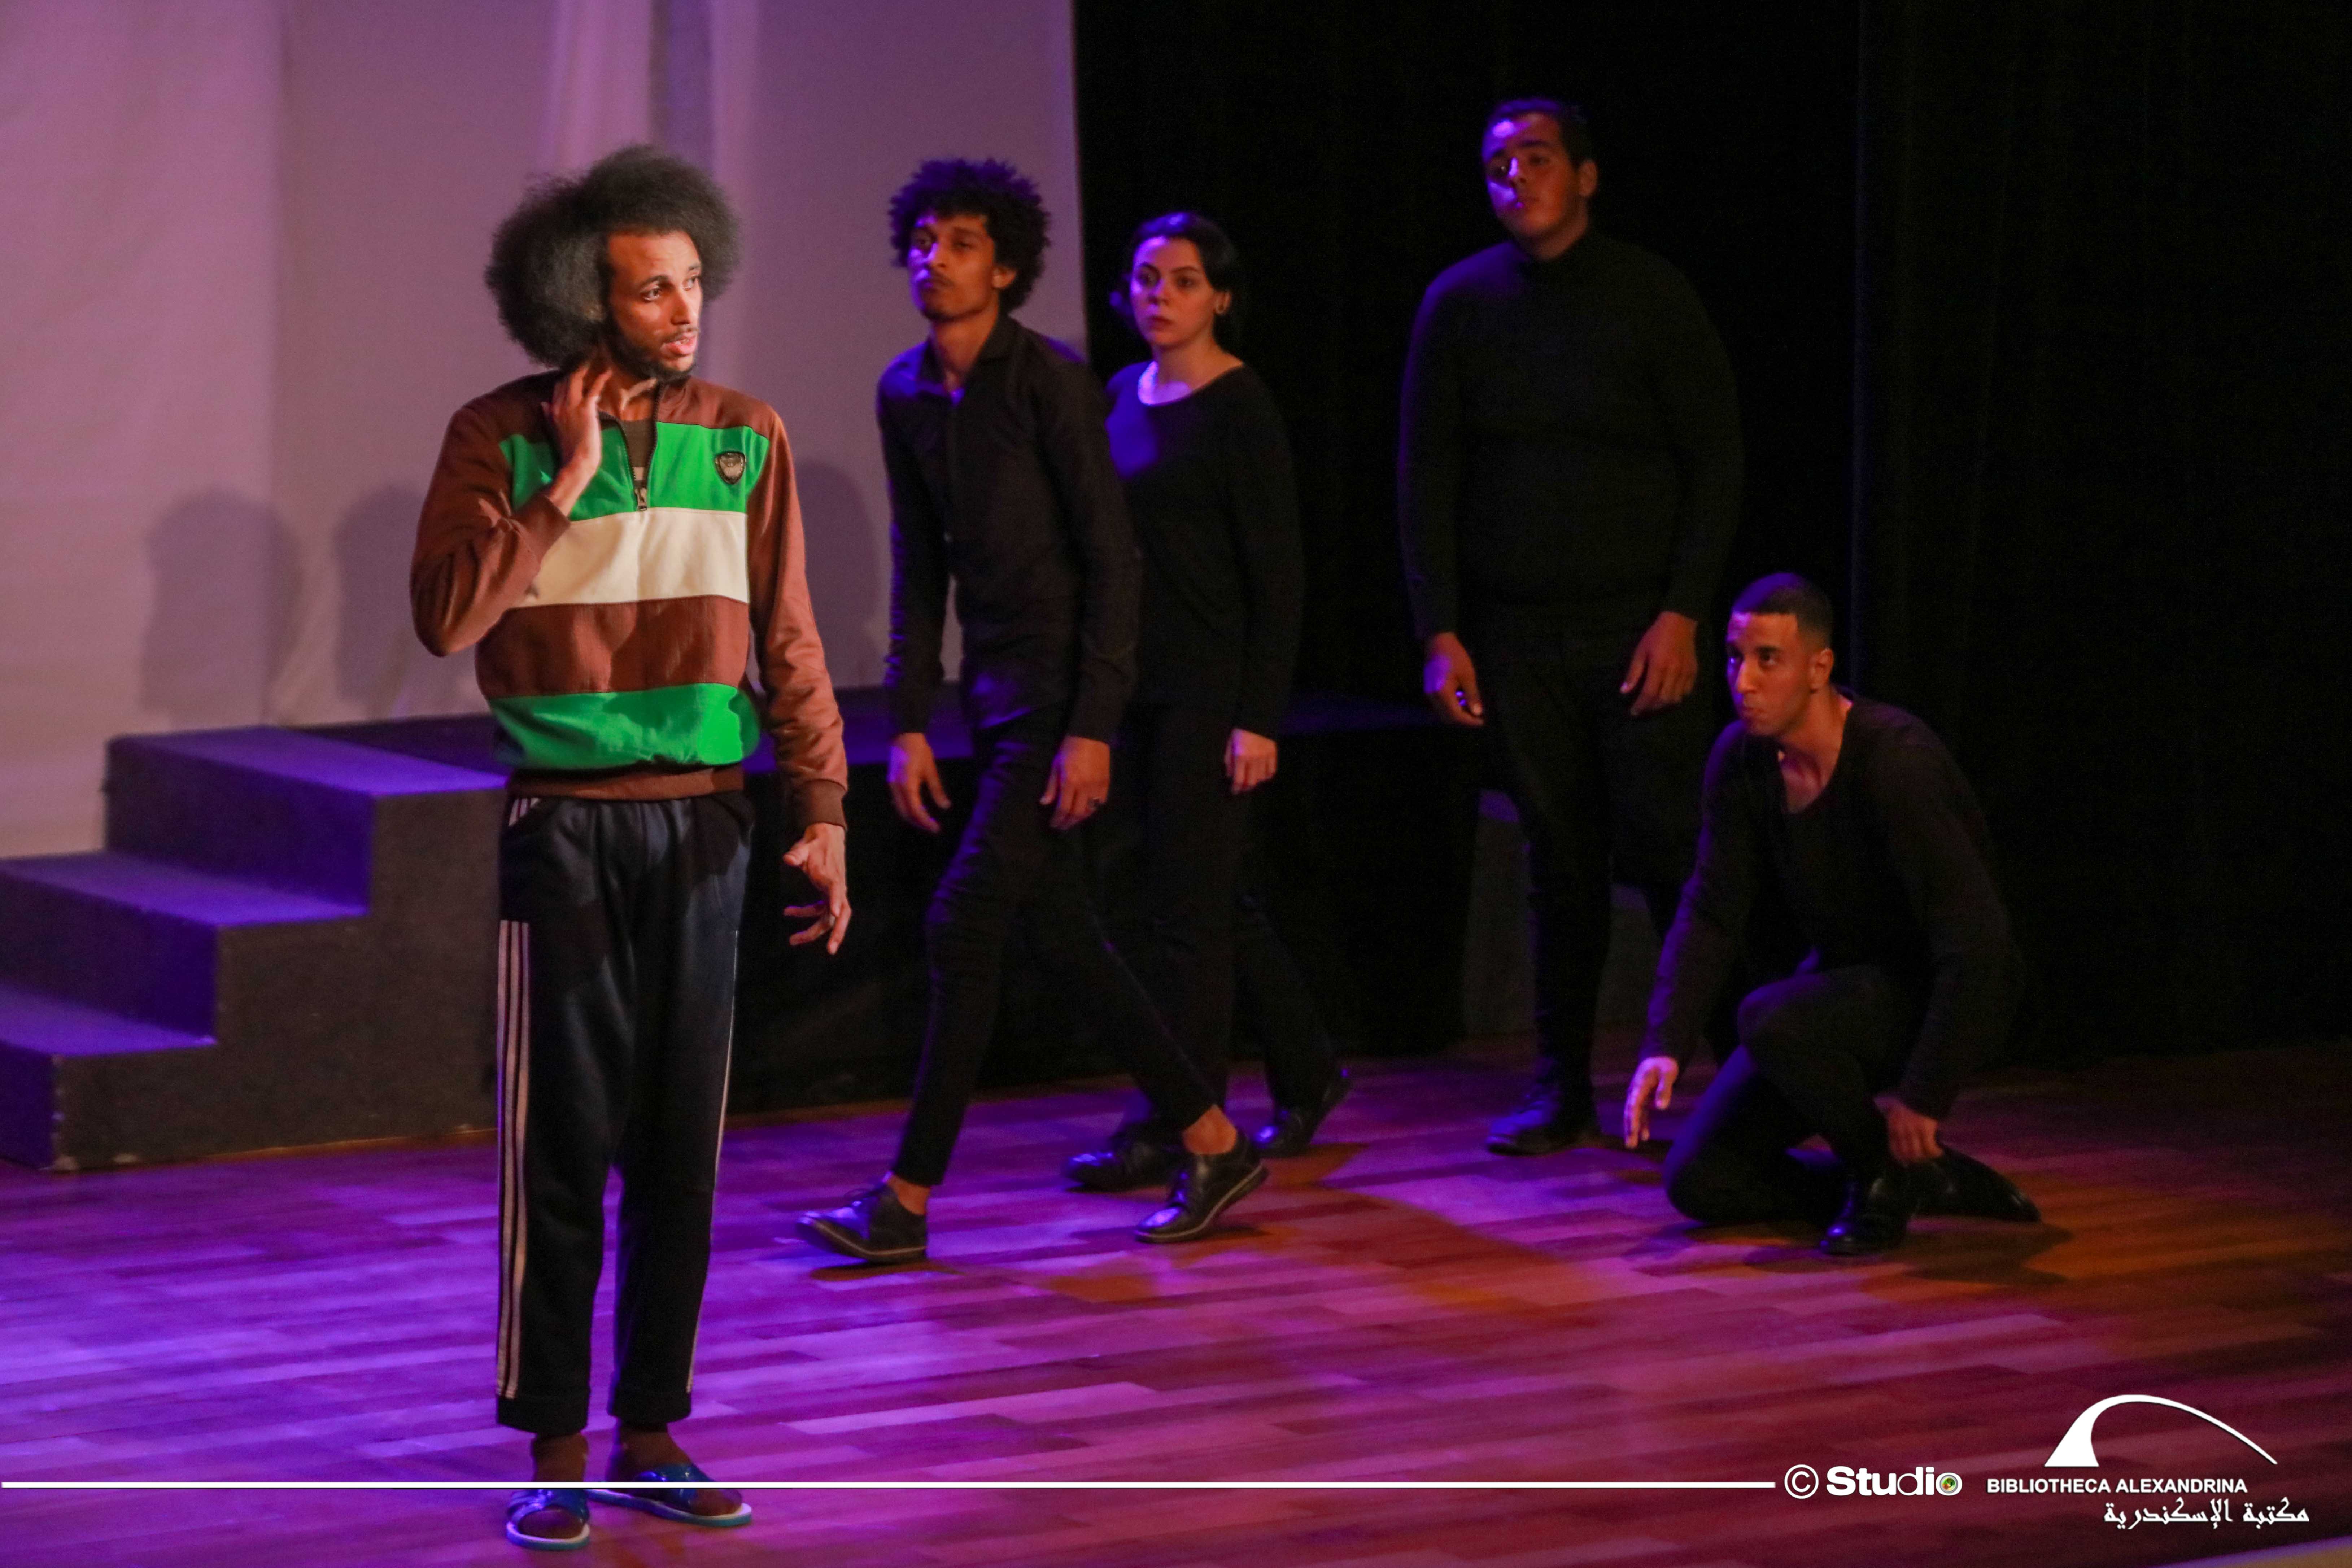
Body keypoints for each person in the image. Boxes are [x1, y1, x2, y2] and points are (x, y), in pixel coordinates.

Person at [412, 146, 850, 1549]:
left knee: (680, 1150)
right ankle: (554, 1445)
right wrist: (570, 480)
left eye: (692, 282)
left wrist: (823, 808)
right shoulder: (498, 435)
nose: (682, 309)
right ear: (578, 297)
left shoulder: (746, 433)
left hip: (708, 821)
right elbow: (446, 617)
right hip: (566, 825)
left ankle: (650, 1430)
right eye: (651, 288)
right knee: (562, 1142)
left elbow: (790, 635)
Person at [795, 159, 1261, 1262]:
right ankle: (1214, 1141)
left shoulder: (1049, 380)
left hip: (1058, 692)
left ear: (1004, 267)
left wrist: (1093, 724)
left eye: (960, 242)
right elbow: (920, 563)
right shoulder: (905, 390)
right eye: (923, 240)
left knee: (963, 922)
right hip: (990, 695)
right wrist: (910, 719)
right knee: (1060, 933)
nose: (934, 259)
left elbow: (1112, 556)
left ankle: (906, 1200)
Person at [1398, 97, 1742, 1156]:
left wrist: (1683, 613)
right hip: (1515, 635)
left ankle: (1740, 1079)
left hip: (1637, 629)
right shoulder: (1459, 302)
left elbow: (1715, 459)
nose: (1515, 178)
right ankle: (1560, 1088)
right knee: (1556, 860)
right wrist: (1440, 630)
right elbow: (1425, 474)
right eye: (1497, 164)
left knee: (1671, 851)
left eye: (1536, 158)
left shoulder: (1649, 294)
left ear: (1584, 176)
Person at [1620, 574, 2042, 1257]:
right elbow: (1711, 909)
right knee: (1701, 1179)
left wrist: (1923, 1093)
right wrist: (1664, 1042)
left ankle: (1881, 1175)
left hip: (1938, 993)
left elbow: (1978, 945)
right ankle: (1909, 1178)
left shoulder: (1894, 762)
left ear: (1819, 668)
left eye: (1768, 660)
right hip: (1842, 992)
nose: (1743, 682)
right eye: (1734, 658)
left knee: (1769, 1015)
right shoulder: (1741, 759)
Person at [1060, 212, 1349, 1193]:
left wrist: (1258, 715)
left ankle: (1176, 1122)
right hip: (1135, 686)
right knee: (1200, 897)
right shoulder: (1118, 396)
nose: (1160, 295)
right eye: (1147, 278)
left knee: (1186, 913)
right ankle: (1308, 1069)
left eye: (1183, 280)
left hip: (1209, 692)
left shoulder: (1240, 404)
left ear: (1219, 296)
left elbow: (1279, 575)